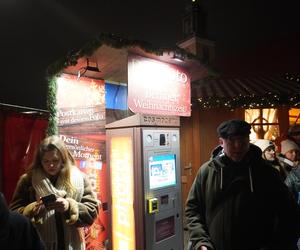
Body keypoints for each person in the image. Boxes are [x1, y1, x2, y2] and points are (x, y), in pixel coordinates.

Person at [185, 119, 300, 250]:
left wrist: (278, 245)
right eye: (232, 140)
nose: (238, 145)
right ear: (221, 142)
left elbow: (289, 212)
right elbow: (193, 209)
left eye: (243, 140)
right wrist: (201, 242)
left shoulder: (266, 173)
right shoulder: (207, 172)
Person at [10, 135, 99, 250]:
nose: (50, 165)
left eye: (55, 160)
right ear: (40, 161)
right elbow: (13, 215)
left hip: (73, 245)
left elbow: (92, 213)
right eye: (46, 161)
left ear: (63, 159)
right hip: (37, 245)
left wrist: (69, 206)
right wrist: (32, 210)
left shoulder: (80, 178)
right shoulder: (28, 181)